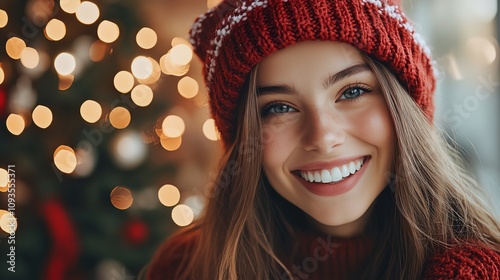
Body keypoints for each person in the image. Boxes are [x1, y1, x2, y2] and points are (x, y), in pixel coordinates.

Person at [145, 0, 500, 279]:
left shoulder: (474, 271)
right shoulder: (184, 269)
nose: (323, 137)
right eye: (279, 107)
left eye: (353, 91)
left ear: (405, 107)